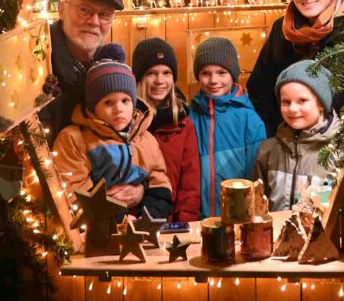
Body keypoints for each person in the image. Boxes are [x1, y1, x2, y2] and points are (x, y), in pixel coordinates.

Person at [52, 53, 173, 220]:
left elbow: (159, 183)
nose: (119, 109)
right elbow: (73, 192)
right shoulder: (74, 139)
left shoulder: (146, 140)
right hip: (95, 231)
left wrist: (144, 219)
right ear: (93, 107)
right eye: (108, 102)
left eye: (125, 101)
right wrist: (119, 218)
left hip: (141, 227)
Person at [247, 0, 344, 137]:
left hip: (338, 147)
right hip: (288, 145)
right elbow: (260, 89)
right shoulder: (281, 30)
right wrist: (277, 134)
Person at [40, 0, 124, 142]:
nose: (94, 21)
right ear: (61, 9)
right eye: (85, 10)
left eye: (104, 14)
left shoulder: (109, 67)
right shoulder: (38, 62)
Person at [189, 36, 266, 219]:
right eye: (206, 73)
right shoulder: (191, 116)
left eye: (222, 72)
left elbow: (255, 178)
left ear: (233, 74)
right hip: (199, 219)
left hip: (237, 217)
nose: (214, 80)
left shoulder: (250, 120)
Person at [252, 61, 340, 211]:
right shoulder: (268, 150)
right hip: (273, 233)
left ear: (321, 104)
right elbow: (257, 204)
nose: (292, 109)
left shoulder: (338, 153)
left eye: (302, 101)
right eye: (286, 102)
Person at [131, 37, 200, 222]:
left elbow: (190, 186)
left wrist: (185, 226)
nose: (160, 80)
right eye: (151, 73)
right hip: (130, 225)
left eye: (167, 72)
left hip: (171, 228)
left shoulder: (183, 123)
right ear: (139, 77)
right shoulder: (125, 122)